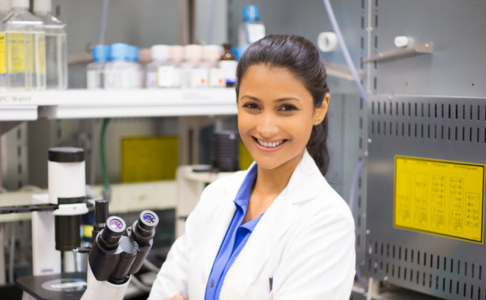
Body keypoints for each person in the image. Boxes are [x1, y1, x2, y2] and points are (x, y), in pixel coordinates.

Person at [148, 34, 355, 300]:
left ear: (319, 109)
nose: (266, 127)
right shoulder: (217, 194)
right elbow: (164, 292)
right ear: (237, 105)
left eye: (286, 108)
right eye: (252, 106)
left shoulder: (327, 221)